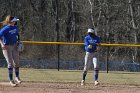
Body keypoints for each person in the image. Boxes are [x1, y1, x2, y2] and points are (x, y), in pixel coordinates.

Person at [0, 15, 22, 87]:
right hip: (7, 47)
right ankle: (11, 80)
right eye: (14, 21)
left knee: (17, 62)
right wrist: (2, 44)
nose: (15, 22)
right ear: (11, 21)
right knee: (10, 63)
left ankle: (17, 77)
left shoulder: (15, 27)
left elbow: (17, 34)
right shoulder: (5, 29)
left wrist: (19, 41)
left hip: (15, 46)